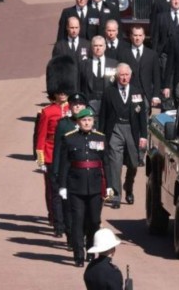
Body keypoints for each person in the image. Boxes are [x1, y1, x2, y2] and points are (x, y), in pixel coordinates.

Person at [58, 107, 112, 267]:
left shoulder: (100, 138)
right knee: (78, 221)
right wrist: (62, 186)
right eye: (83, 120)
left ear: (93, 121)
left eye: (89, 120)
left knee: (94, 221)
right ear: (78, 122)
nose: (87, 123)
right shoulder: (69, 139)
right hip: (76, 186)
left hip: (95, 187)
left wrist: (109, 185)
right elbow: (64, 164)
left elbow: (106, 163)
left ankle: (90, 250)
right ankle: (78, 255)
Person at [99, 63, 147, 209]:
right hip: (115, 129)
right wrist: (101, 136)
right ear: (117, 76)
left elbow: (142, 117)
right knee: (115, 164)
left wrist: (143, 136)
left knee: (133, 163)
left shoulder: (137, 92)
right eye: (121, 75)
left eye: (127, 75)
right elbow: (103, 115)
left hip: (132, 130)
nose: (124, 78)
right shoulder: (109, 92)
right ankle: (116, 196)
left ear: (130, 76)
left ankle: (129, 186)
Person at [34, 55, 73, 231]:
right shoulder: (48, 112)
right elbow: (41, 136)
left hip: (69, 154)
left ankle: (65, 219)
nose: (62, 94)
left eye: (65, 91)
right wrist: (40, 159)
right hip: (50, 153)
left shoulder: (74, 110)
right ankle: (55, 218)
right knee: (52, 190)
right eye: (60, 91)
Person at [52, 92, 87, 246]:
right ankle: (71, 235)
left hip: (84, 173)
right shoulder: (63, 124)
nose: (77, 106)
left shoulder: (90, 123)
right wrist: (56, 172)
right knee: (68, 207)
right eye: (74, 104)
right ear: (70, 106)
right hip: (68, 172)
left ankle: (82, 235)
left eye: (79, 104)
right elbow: (58, 150)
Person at [119, 25, 161, 115]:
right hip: (128, 94)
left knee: (144, 121)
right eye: (135, 35)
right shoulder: (123, 54)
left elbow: (156, 77)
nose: (137, 38)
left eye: (140, 35)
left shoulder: (152, 54)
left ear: (144, 36)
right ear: (130, 36)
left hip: (146, 95)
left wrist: (156, 95)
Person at [79, 36, 118, 115]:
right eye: (95, 46)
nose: (98, 48)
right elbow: (79, 84)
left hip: (108, 103)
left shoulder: (114, 64)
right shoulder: (84, 64)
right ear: (91, 47)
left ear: (105, 47)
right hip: (89, 102)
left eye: (100, 46)